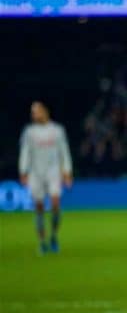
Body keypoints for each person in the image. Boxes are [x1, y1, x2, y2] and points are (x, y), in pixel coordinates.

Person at [19, 101, 72, 254]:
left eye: (36, 111)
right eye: (32, 112)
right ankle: (42, 242)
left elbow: (64, 151)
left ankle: (54, 236)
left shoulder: (57, 130)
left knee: (55, 204)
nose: (34, 115)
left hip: (53, 171)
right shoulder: (29, 132)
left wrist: (67, 171)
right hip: (36, 173)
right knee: (39, 207)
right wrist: (23, 171)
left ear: (45, 112)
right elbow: (25, 152)